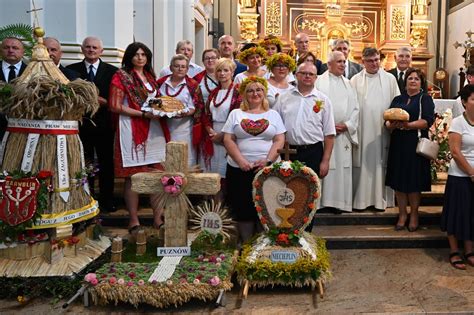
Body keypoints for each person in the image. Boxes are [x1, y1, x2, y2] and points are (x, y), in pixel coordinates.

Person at [108, 42, 166, 232]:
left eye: (143, 54)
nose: (140, 57)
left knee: (158, 175)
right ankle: (134, 220)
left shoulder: (150, 76)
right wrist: (142, 114)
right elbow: (115, 106)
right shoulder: (121, 76)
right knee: (133, 177)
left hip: (153, 129)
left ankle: (158, 218)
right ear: (129, 57)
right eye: (136, 54)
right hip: (131, 129)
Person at [222, 76, 285, 243]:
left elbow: (279, 139)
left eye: (258, 90)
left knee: (266, 206)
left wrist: (268, 160)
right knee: (243, 207)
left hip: (267, 170)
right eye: (250, 90)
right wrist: (241, 161)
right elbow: (228, 139)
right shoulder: (236, 114)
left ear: (264, 93)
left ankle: (262, 245)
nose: (254, 93)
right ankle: (246, 244)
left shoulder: (274, 115)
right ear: (243, 94)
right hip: (239, 169)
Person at [274, 62, 335, 230]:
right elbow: (276, 128)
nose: (307, 76)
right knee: (286, 192)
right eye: (304, 73)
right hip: (288, 152)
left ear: (316, 78)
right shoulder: (284, 98)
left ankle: (306, 233)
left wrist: (325, 161)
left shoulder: (323, 100)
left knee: (309, 194)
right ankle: (286, 231)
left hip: (313, 152)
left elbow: (329, 134)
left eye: (311, 74)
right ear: (296, 75)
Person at [67, 36, 118, 213]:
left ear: (101, 51)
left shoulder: (113, 71)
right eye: (87, 47)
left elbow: (116, 98)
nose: (91, 50)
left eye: (95, 47)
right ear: (82, 49)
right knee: (83, 162)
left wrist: (104, 101)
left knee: (106, 163)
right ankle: (86, 197)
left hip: (104, 124)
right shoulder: (71, 71)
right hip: (81, 124)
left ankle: (107, 199)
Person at [385, 68, 435, 231]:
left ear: (421, 83)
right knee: (399, 181)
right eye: (410, 78)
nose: (413, 81)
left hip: (415, 143)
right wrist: (390, 125)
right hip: (398, 144)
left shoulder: (424, 98)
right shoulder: (398, 98)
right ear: (405, 82)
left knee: (413, 182)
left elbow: (427, 121)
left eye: (416, 79)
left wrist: (408, 126)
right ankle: (402, 214)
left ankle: (414, 214)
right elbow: (387, 119)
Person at [350, 47, 400, 211]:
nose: (374, 63)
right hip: (362, 130)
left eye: (377, 59)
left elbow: (396, 105)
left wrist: (393, 123)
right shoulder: (355, 80)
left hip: (383, 130)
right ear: (362, 62)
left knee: (381, 163)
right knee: (363, 163)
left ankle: (382, 200)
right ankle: (361, 200)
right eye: (370, 61)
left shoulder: (390, 79)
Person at [315, 51, 359, 212]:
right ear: (329, 64)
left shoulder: (348, 84)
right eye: (339, 61)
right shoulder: (319, 82)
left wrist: (347, 124)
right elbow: (315, 107)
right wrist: (328, 126)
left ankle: (339, 203)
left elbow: (356, 108)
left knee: (341, 167)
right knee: (325, 166)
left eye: (344, 62)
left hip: (343, 135)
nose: (343, 64)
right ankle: (321, 203)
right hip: (324, 135)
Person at [195, 58, 242, 201]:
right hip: (211, 136)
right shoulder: (213, 93)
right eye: (219, 70)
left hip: (229, 135)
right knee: (210, 172)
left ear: (232, 72)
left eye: (226, 70)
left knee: (224, 174)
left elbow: (238, 115)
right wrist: (210, 131)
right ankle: (208, 209)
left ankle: (222, 208)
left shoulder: (238, 91)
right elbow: (205, 114)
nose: (222, 73)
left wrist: (222, 135)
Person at [440, 84, 474, 270]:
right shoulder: (458, 122)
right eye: (473, 99)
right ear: (464, 102)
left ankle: (469, 251)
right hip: (460, 175)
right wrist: (471, 172)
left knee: (470, 214)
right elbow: (455, 151)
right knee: (457, 214)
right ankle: (454, 251)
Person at [157, 54, 199, 165]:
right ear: (170, 68)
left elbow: (195, 107)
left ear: (187, 69)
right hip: (162, 128)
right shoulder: (160, 83)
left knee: (184, 161)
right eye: (176, 66)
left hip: (184, 130)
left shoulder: (193, 85)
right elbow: (154, 102)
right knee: (166, 161)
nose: (180, 69)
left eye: (183, 66)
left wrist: (182, 113)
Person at [0, 37, 28, 141]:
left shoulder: (32, 71)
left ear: (22, 52)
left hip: (23, 128)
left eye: (15, 48)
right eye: (6, 47)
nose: (10, 50)